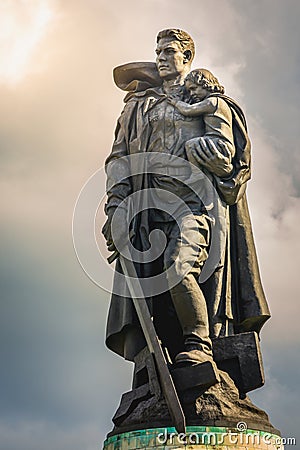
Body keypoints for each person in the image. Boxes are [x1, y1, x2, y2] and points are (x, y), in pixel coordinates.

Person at [102, 29, 270, 366]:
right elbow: (119, 160)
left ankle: (200, 344)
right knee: (154, 287)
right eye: (158, 51)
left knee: (180, 267)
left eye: (169, 51)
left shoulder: (204, 100)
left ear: (187, 57)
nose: (161, 58)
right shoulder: (138, 106)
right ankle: (160, 360)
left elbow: (229, 158)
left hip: (194, 207)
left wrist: (210, 155)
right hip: (149, 211)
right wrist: (116, 206)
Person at [168, 68, 235, 169]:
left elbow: (189, 110)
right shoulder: (219, 101)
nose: (191, 94)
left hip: (219, 143)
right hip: (218, 143)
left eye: (193, 88)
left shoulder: (212, 101)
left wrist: (176, 103)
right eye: (189, 91)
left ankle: (196, 174)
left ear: (206, 84)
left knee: (191, 145)